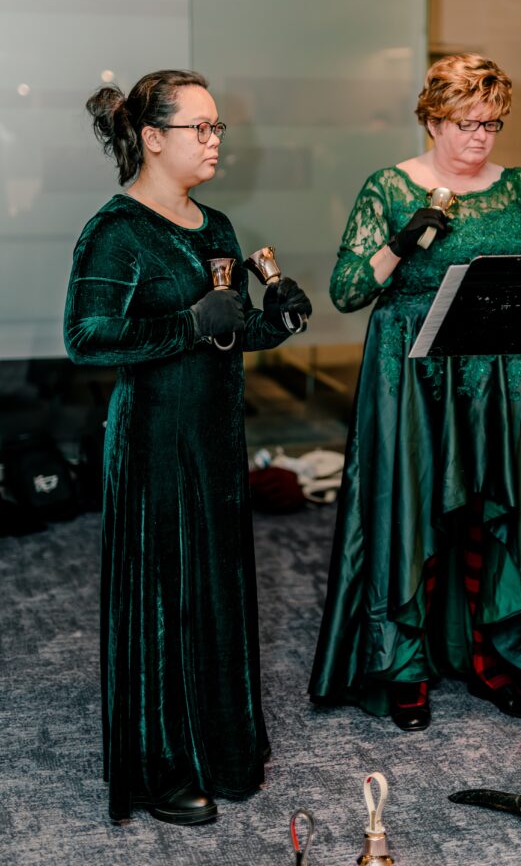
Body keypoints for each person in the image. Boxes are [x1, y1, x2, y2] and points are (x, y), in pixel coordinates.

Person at [308, 53, 521, 731]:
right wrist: (401, 241)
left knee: (495, 513)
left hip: (502, 374)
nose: (479, 137)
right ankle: (406, 669)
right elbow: (346, 290)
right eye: (464, 123)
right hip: (413, 374)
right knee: (414, 513)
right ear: (430, 120)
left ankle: (496, 658)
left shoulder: (520, 188)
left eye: (491, 123)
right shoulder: (390, 187)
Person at [64, 70, 312, 824]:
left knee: (215, 590)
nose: (214, 142)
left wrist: (277, 323)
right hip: (153, 444)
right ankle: (158, 768)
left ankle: (219, 749)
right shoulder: (117, 230)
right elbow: (86, 338)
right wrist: (188, 325)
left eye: (217, 129)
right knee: (166, 600)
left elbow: (226, 334)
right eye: (199, 128)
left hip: (214, 437)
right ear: (150, 138)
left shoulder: (217, 227)